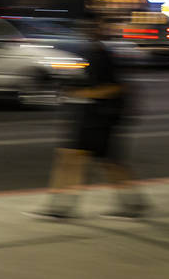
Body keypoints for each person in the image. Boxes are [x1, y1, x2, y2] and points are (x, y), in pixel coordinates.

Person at [41, 15, 149, 219]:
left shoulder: (101, 55)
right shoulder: (96, 53)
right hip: (98, 117)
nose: (86, 31)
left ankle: (60, 207)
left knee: (71, 158)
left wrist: (80, 94)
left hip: (99, 118)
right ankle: (134, 204)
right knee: (108, 162)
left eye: (90, 28)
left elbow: (115, 87)